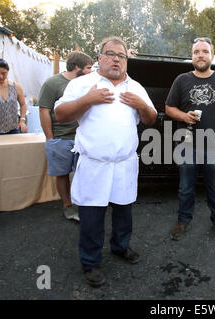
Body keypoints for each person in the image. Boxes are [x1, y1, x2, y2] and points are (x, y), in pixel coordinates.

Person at [54, 36, 157, 287]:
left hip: (124, 163)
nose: (115, 59)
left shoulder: (136, 87)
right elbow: (60, 114)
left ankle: (120, 247)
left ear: (126, 61)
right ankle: (90, 261)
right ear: (99, 57)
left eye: (121, 56)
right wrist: (88, 99)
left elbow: (151, 118)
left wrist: (141, 104)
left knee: (124, 211)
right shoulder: (84, 83)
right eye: (110, 54)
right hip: (94, 164)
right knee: (91, 215)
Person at [165, 37, 215, 242]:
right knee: (185, 188)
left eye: (204, 51)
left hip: (214, 145)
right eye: (196, 52)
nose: (200, 55)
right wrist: (184, 116)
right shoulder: (181, 80)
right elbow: (168, 108)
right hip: (187, 144)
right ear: (192, 56)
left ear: (211, 55)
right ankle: (183, 221)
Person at [38, 51, 93, 222]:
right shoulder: (52, 83)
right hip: (61, 138)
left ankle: (85, 205)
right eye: (88, 68)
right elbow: (44, 110)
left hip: (82, 138)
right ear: (77, 67)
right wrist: (50, 138)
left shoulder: (86, 84)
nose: (91, 71)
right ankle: (67, 206)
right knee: (62, 174)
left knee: (84, 173)